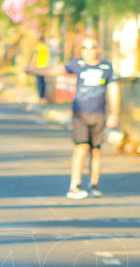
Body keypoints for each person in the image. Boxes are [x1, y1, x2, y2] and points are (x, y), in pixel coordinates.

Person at [26, 37, 119, 199]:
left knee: (96, 150)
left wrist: (114, 113)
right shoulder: (77, 65)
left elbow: (113, 90)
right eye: (85, 47)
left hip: (99, 114)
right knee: (81, 147)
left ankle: (94, 185)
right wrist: (34, 71)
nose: (88, 51)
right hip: (80, 113)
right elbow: (54, 70)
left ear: (98, 49)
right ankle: (75, 185)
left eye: (92, 47)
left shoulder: (106, 68)